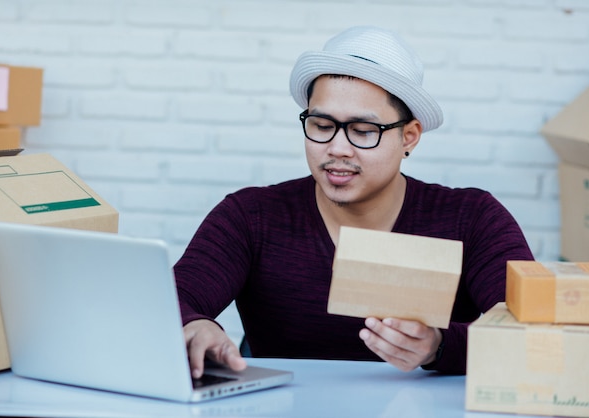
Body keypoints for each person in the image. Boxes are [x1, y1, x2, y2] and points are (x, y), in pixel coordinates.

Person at [174, 26, 534, 378]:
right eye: (321, 125)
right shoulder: (251, 217)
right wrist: (195, 325)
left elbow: (532, 332)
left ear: (409, 136)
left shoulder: (472, 219)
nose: (337, 149)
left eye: (364, 131)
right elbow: (168, 299)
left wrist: (438, 346)